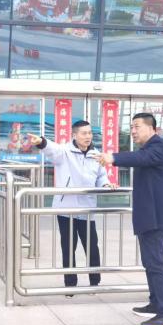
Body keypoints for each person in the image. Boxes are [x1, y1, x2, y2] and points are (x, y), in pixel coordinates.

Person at [98, 113, 163, 325]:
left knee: (157, 264)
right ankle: (156, 303)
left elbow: (140, 159)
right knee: (150, 263)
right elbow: (141, 158)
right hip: (148, 217)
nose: (133, 131)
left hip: (157, 217)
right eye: (131, 127)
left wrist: (112, 158)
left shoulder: (158, 146)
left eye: (137, 126)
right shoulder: (148, 149)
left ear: (152, 128)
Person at [28, 120, 116, 292]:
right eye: (84, 133)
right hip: (66, 209)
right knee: (68, 248)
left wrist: (106, 184)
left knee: (92, 247)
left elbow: (101, 176)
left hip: (87, 209)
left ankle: (94, 282)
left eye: (90, 133)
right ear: (74, 135)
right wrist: (41, 142)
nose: (88, 136)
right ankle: (70, 285)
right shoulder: (65, 152)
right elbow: (52, 149)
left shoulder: (96, 155)